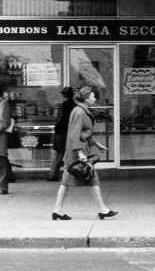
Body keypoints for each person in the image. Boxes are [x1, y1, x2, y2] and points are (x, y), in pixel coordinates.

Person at [51, 85, 116, 220]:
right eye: (92, 96)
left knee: (66, 181)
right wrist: (80, 154)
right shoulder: (80, 112)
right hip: (77, 151)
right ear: (86, 98)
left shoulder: (81, 110)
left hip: (75, 150)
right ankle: (103, 209)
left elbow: (84, 132)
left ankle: (57, 209)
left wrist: (97, 145)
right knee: (92, 178)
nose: (94, 98)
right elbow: (75, 134)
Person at [46, 86, 75, 181]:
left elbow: (59, 121)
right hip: (71, 133)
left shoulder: (63, 106)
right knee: (70, 155)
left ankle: (53, 175)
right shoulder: (74, 106)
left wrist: (56, 130)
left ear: (63, 95)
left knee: (57, 155)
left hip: (61, 134)